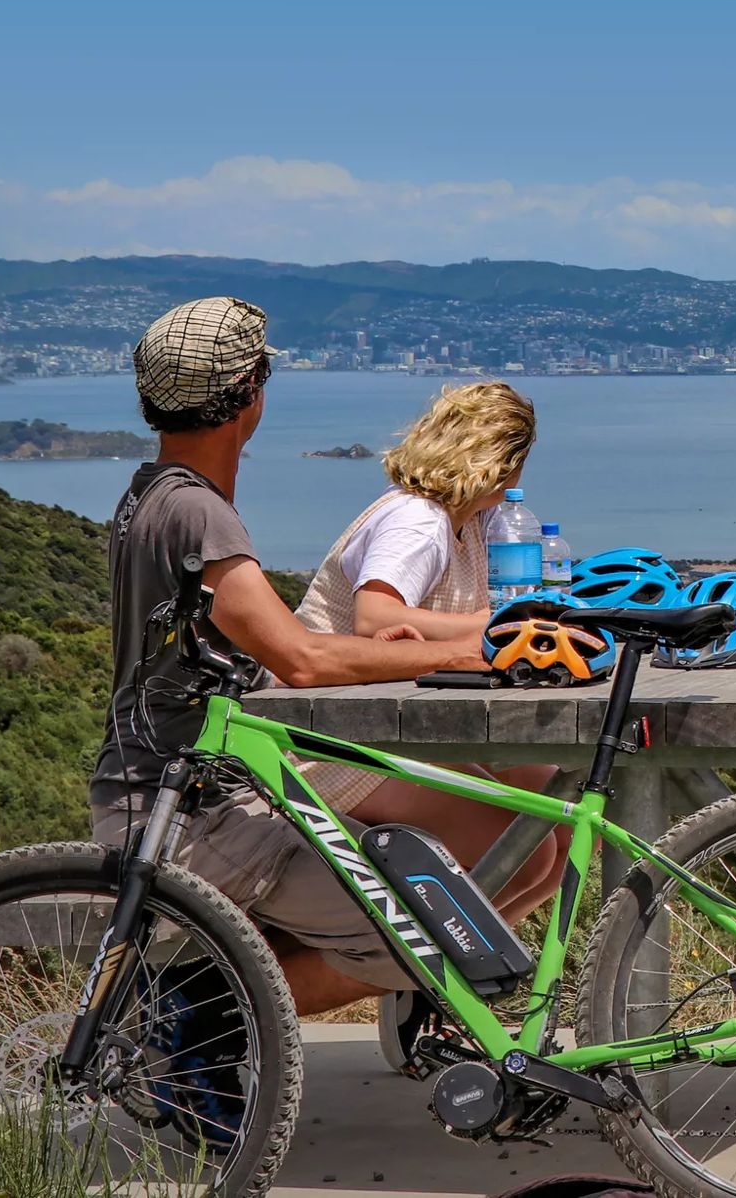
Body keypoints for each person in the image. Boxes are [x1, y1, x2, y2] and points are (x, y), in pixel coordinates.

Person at [89, 296, 487, 1022]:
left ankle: (207, 1018)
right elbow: (300, 659)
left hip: (161, 800)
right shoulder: (197, 511)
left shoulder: (150, 494)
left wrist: (377, 653)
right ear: (250, 396)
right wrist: (474, 646)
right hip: (198, 820)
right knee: (434, 933)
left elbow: (245, 657)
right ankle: (201, 1025)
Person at [297, 381, 570, 1058]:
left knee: (555, 810)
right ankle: (431, 981)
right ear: (500, 460)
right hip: (327, 744)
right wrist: (486, 625)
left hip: (385, 732)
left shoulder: (469, 524)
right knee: (526, 845)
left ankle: (442, 985)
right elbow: (378, 620)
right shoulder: (416, 520)